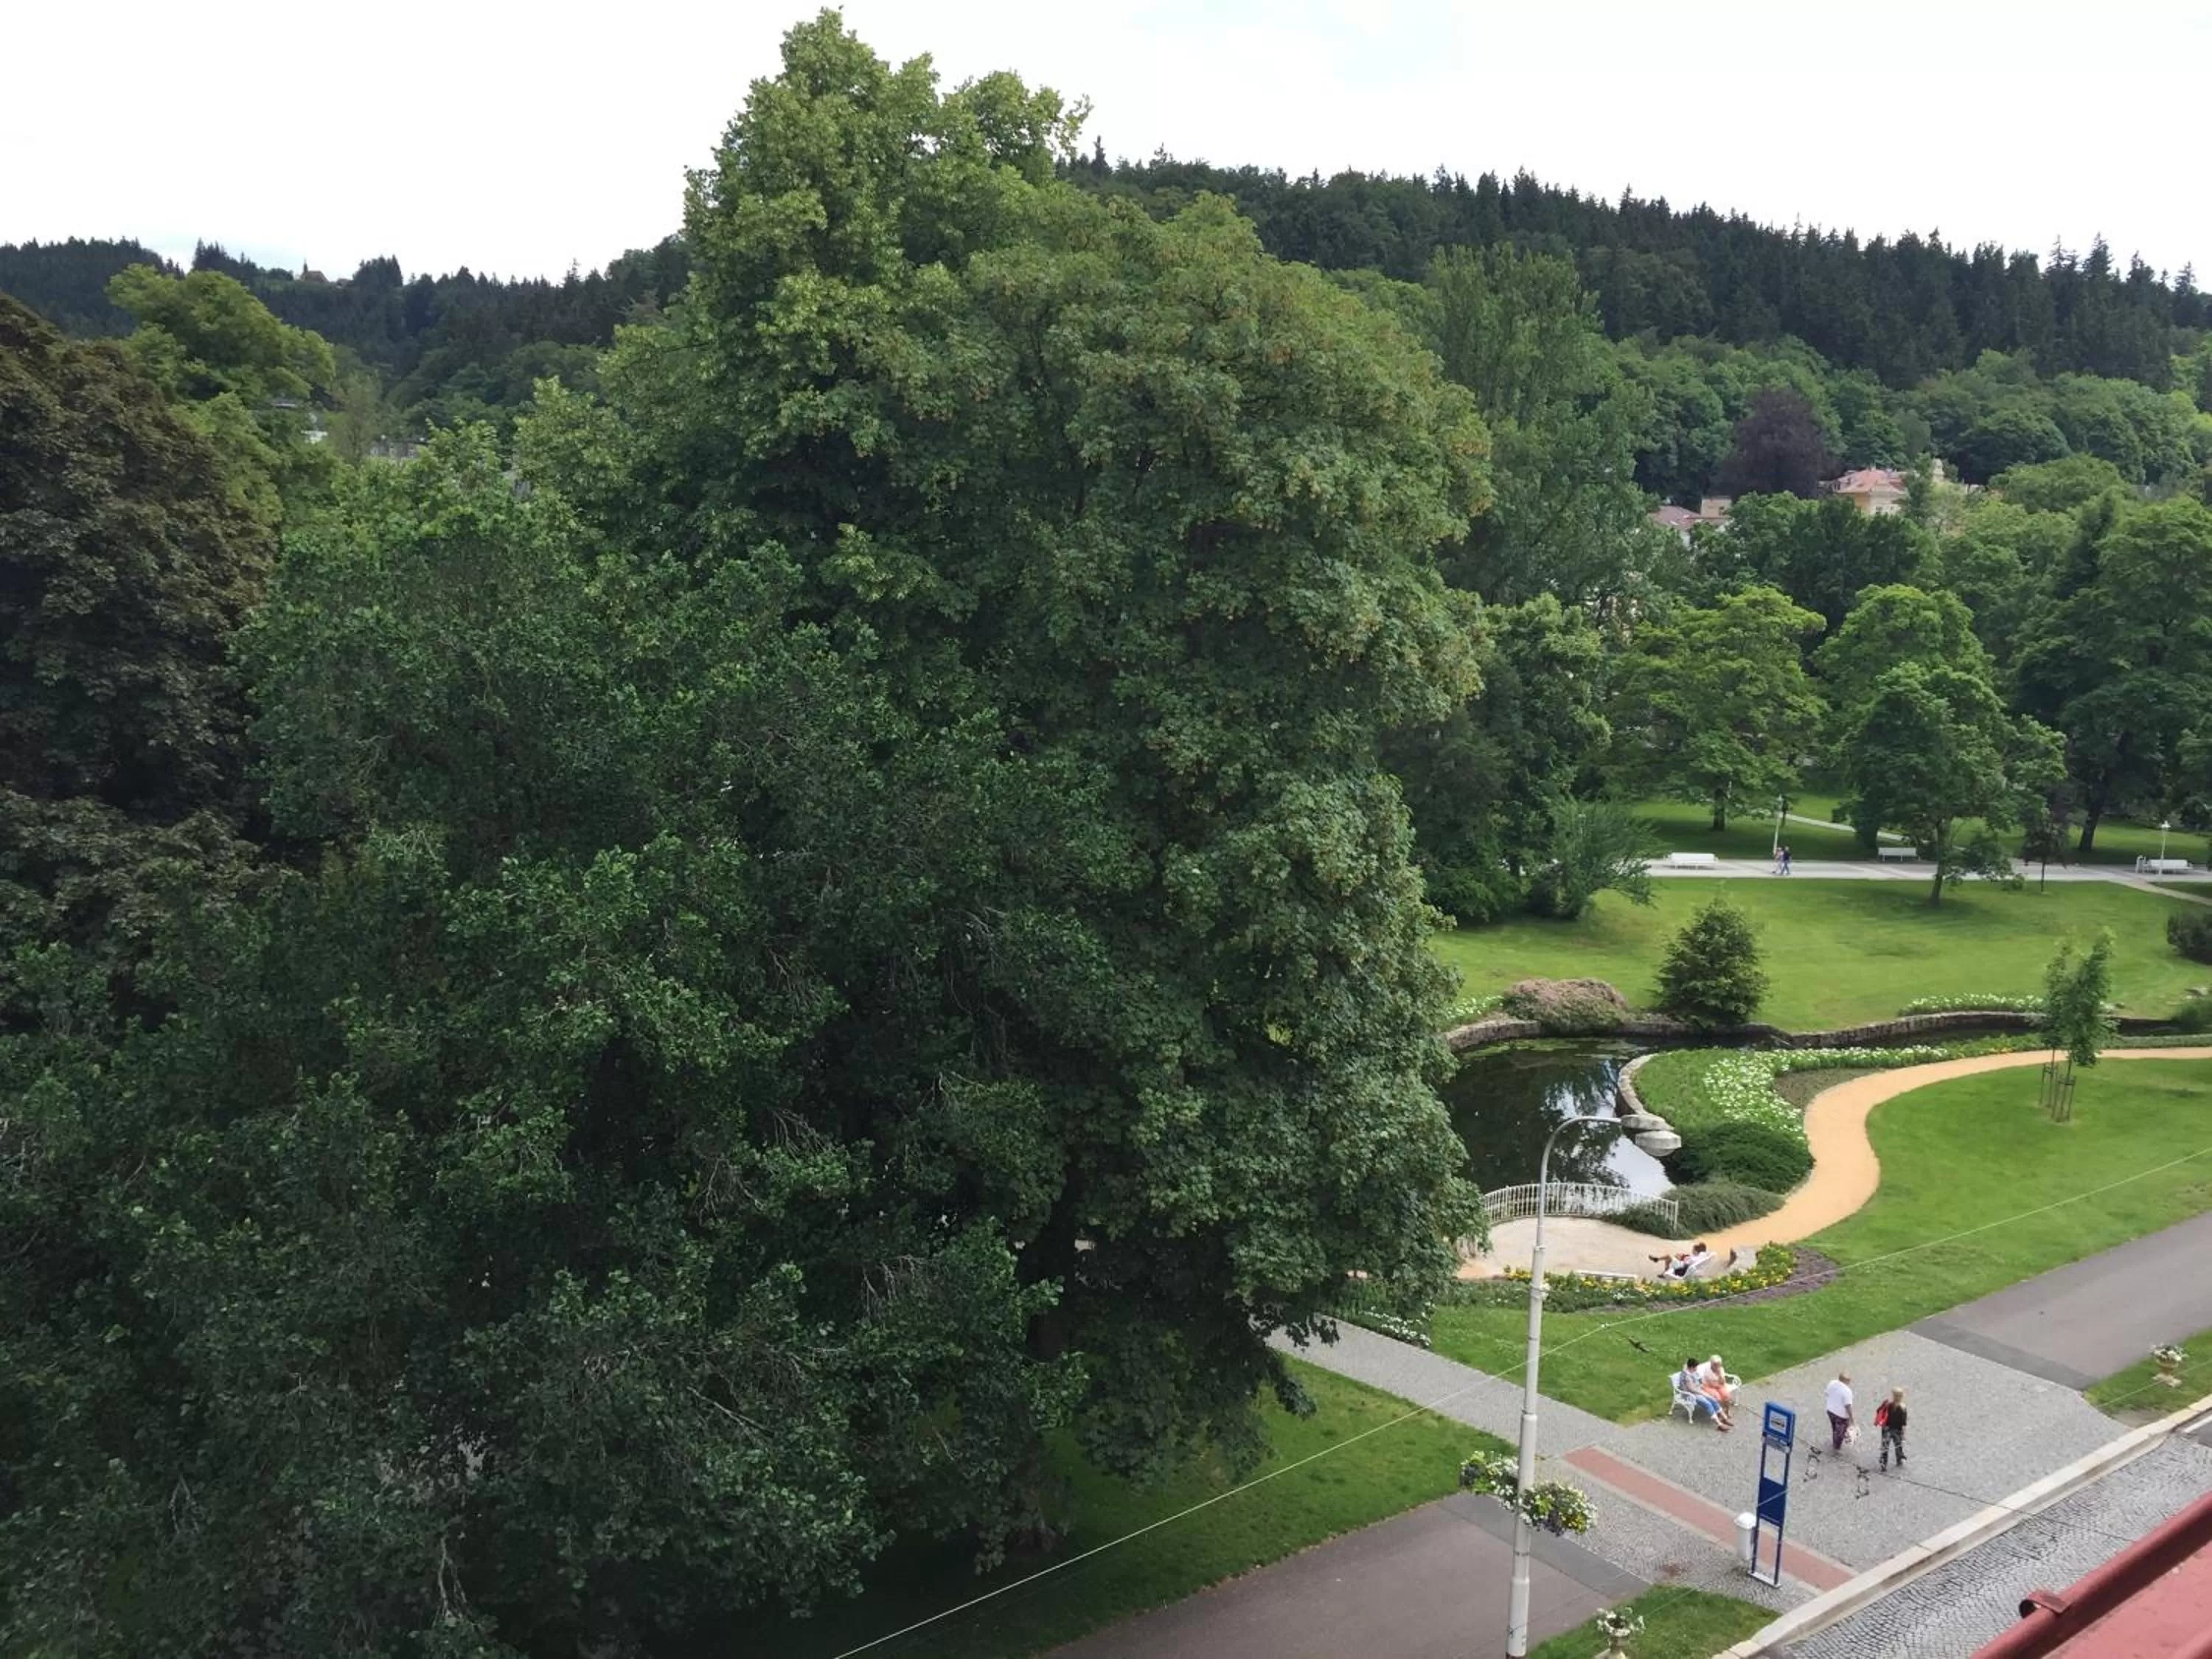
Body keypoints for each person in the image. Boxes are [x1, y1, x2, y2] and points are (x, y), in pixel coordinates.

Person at [1680, 1356, 1729, 1431]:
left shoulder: (1691, 1371)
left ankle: (1725, 1418)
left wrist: (1704, 1392)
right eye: (1696, 1367)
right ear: (1692, 1367)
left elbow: (1698, 1381)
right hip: (1691, 1395)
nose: (1697, 1368)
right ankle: (1719, 1424)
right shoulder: (1687, 1376)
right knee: (1708, 1404)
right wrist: (1704, 1393)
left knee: (1713, 1400)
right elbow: (1692, 1389)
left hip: (1698, 1391)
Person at [1877, 1386, 1907, 1470]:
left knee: (1885, 1446)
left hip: (1886, 1428)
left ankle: (1883, 1463)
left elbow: (1879, 1411)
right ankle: (1899, 1459)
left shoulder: (1888, 1404)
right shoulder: (1903, 1408)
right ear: (1902, 1396)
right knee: (1898, 1445)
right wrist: (1904, 1434)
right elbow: (1904, 1423)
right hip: (1897, 1430)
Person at [1825, 1370, 1854, 1451]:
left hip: (1830, 1410)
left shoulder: (1832, 1383)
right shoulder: (1847, 1391)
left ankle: (1835, 1439)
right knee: (1840, 1432)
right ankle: (1836, 1447)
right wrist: (1852, 1418)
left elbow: (1827, 1394)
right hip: (1841, 1415)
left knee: (1834, 1427)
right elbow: (1848, 1406)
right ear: (1847, 1381)